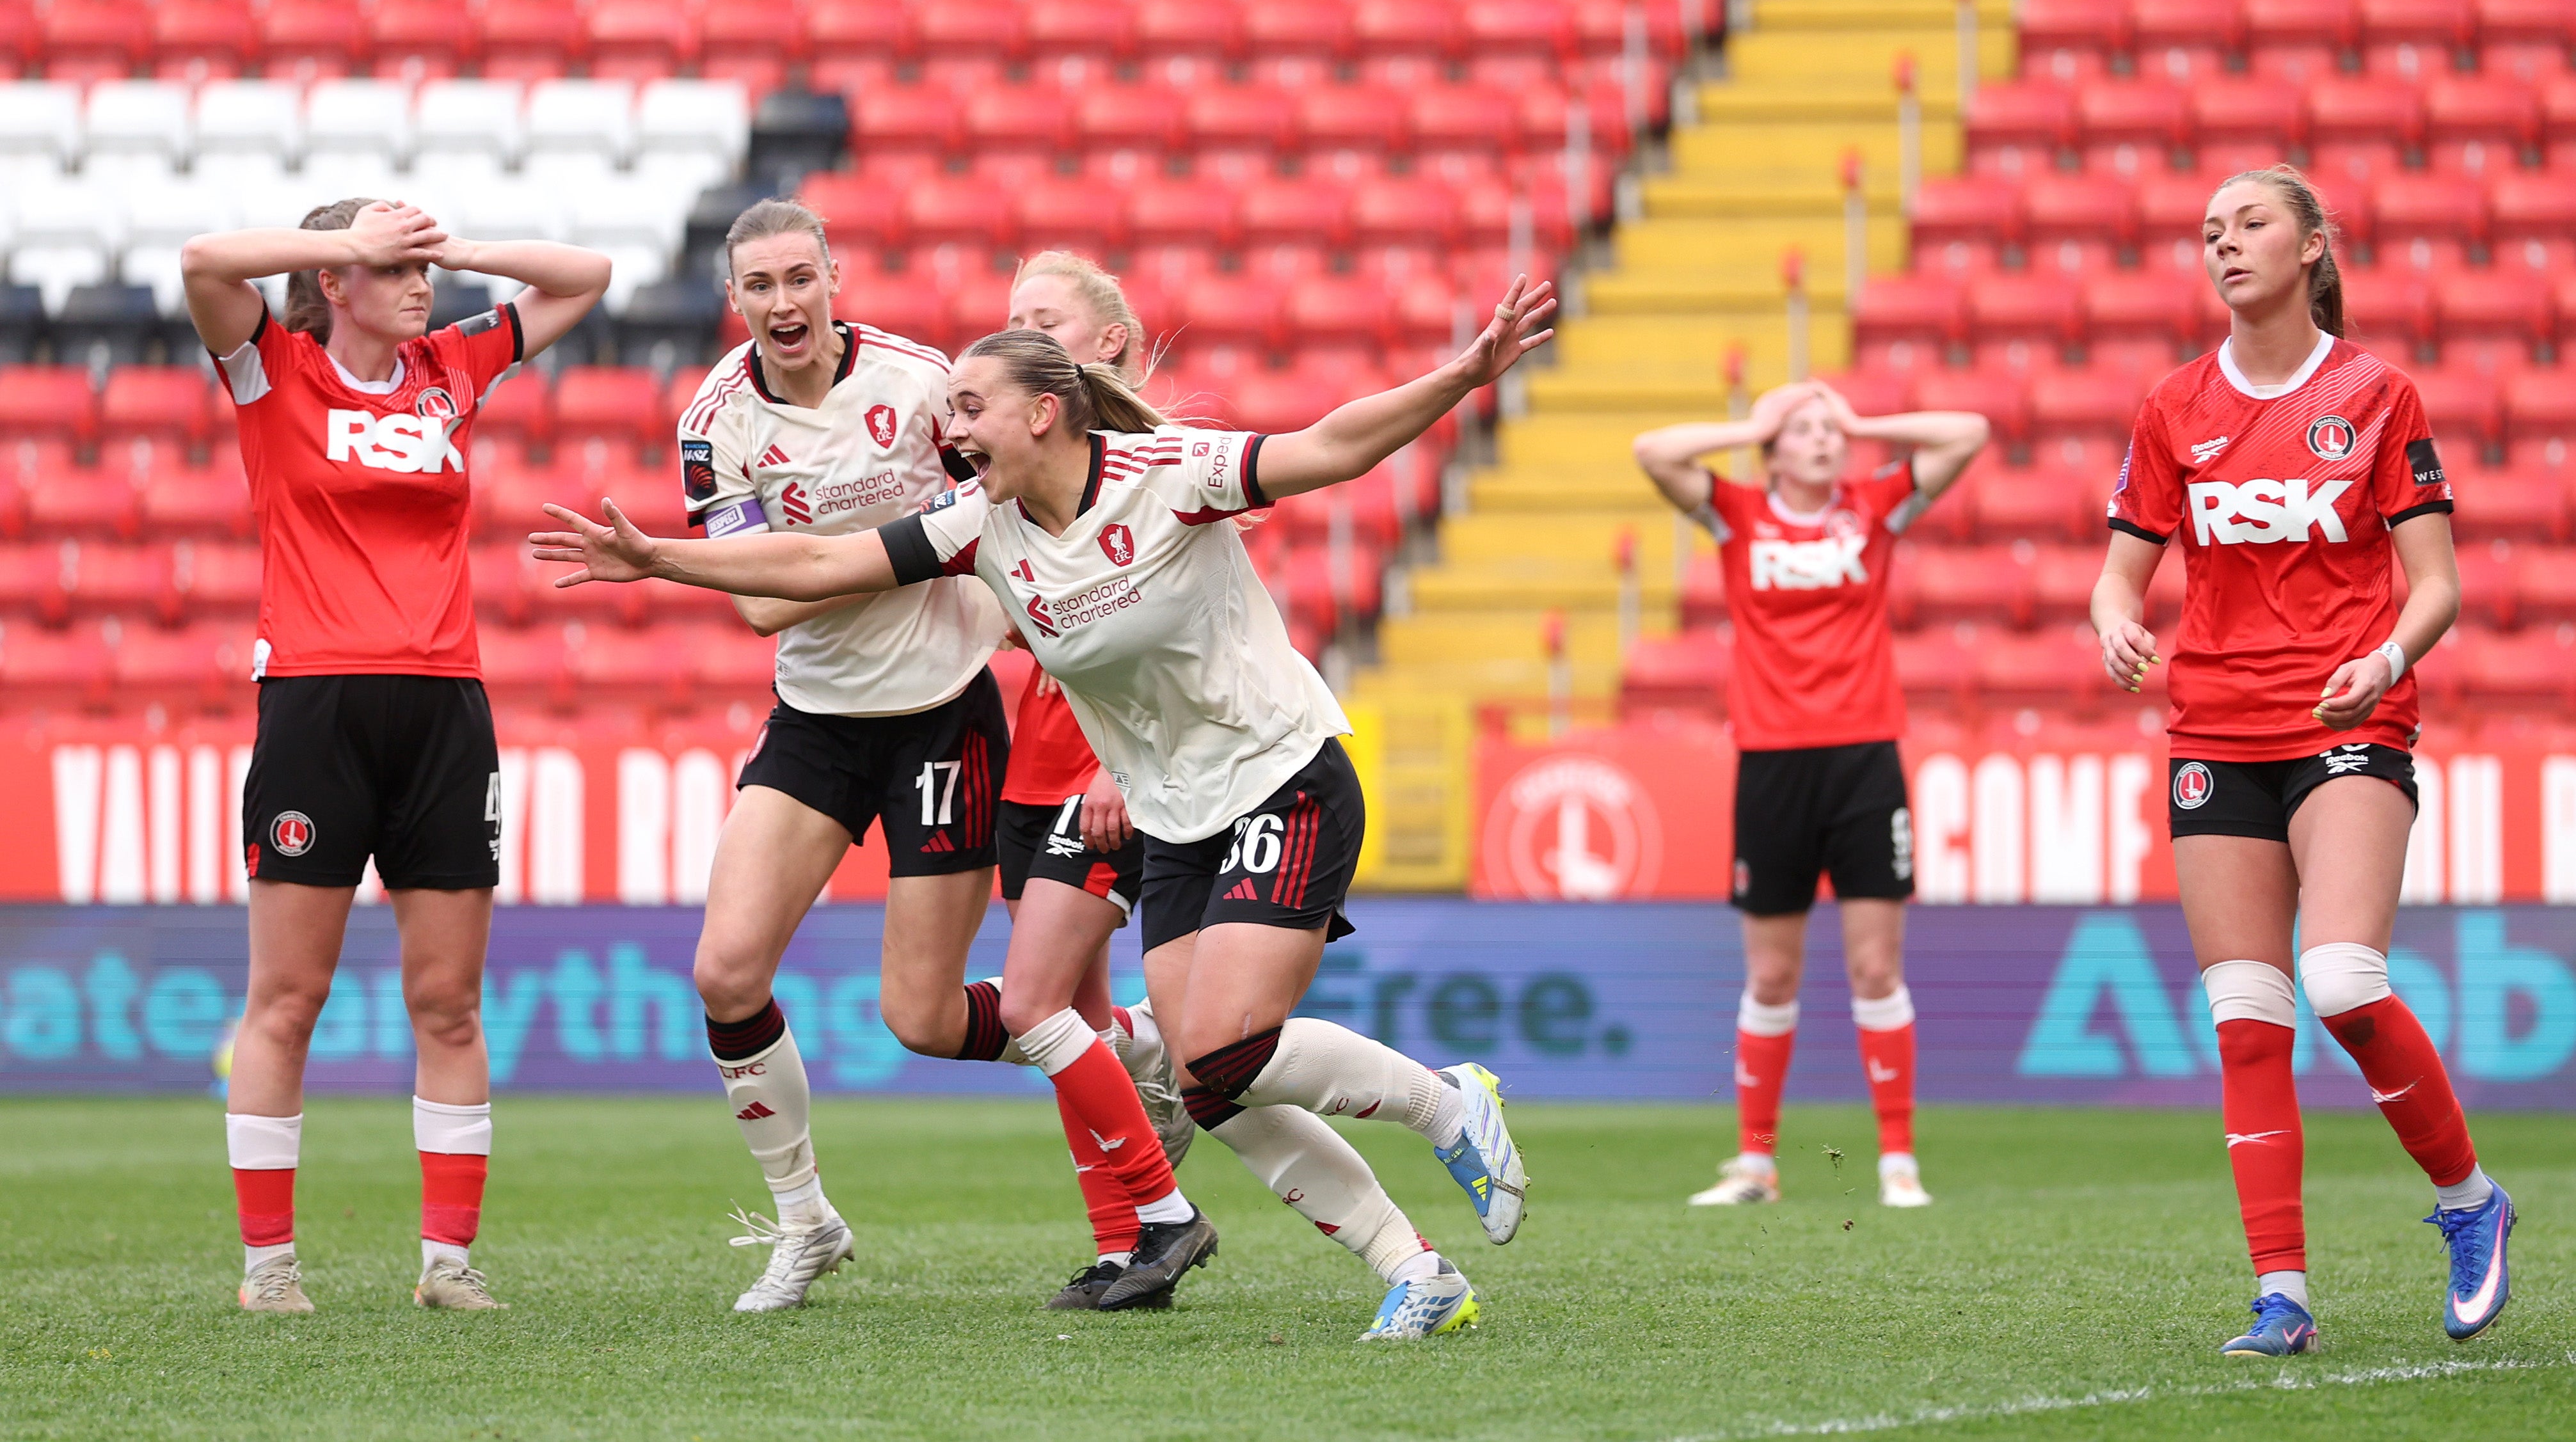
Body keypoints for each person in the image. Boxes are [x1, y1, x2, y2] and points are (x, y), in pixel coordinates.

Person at [531, 280, 1558, 1340]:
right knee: (1206, 1085)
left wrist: (1463, 374)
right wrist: (658, 560)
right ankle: (1417, 1272)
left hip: (1280, 776)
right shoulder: (979, 526)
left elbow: (1332, 447)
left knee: (1221, 1055)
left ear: (1042, 412)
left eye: (970, 408)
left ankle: (1446, 1103)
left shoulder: (1167, 475)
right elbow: (821, 561)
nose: (950, 428)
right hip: (1173, 813)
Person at [675, 202, 1207, 1314]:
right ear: (735, 300)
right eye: (760, 285)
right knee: (725, 972)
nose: (783, 302)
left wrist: (842, 561)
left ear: (834, 277)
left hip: (940, 715)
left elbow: (1014, 506)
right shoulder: (716, 421)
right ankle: (804, 1221)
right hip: (815, 720)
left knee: (921, 1019)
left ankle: (1114, 1052)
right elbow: (760, 609)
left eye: (800, 278)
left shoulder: (922, 383)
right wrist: (902, 553)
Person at [2094, 165, 2511, 1358]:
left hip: (2345, 722)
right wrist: (2113, 622)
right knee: (2244, 1018)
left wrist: (2385, 659)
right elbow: (2119, 574)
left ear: (2312, 244)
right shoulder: (2173, 404)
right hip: (2212, 730)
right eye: (2208, 232)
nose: (2223, 245)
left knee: (2338, 979)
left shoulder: (2375, 394)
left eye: (2250, 224)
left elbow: (2436, 585)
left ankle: (2470, 1201)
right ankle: (2282, 1296)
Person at [180, 198, 611, 1314]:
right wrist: (348, 243)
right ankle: (269, 1270)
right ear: (336, 280)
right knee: (287, 1000)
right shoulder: (273, 372)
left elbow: (586, 275)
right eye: (398, 268)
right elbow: (205, 259)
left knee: (449, 1002)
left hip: (445, 708)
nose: (423, 285)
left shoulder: (449, 367)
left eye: (426, 269)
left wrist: (455, 249)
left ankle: (448, 1266)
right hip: (313, 706)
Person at [1633, 380, 1989, 1211]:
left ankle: (1897, 1162)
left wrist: (1862, 420)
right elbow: (1652, 452)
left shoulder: (1873, 507)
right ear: (1772, 450)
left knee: (1875, 967)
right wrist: (1750, 426)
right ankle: (1755, 1164)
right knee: (1769, 977)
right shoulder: (1737, 514)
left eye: (1831, 430)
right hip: (1771, 764)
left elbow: (1967, 430)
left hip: (1865, 758)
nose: (1824, 440)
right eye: (1803, 430)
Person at [990, 252, 1198, 1310]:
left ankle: (1159, 1218)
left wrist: (1121, 765)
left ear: (1107, 342)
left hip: (1103, 774)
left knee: (1037, 1008)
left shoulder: (1156, 473)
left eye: (1046, 319)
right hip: (1026, 766)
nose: (1022, 334)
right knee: (1065, 1019)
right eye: (1012, 320)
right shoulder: (1019, 475)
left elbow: (1193, 640)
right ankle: (1124, 1245)